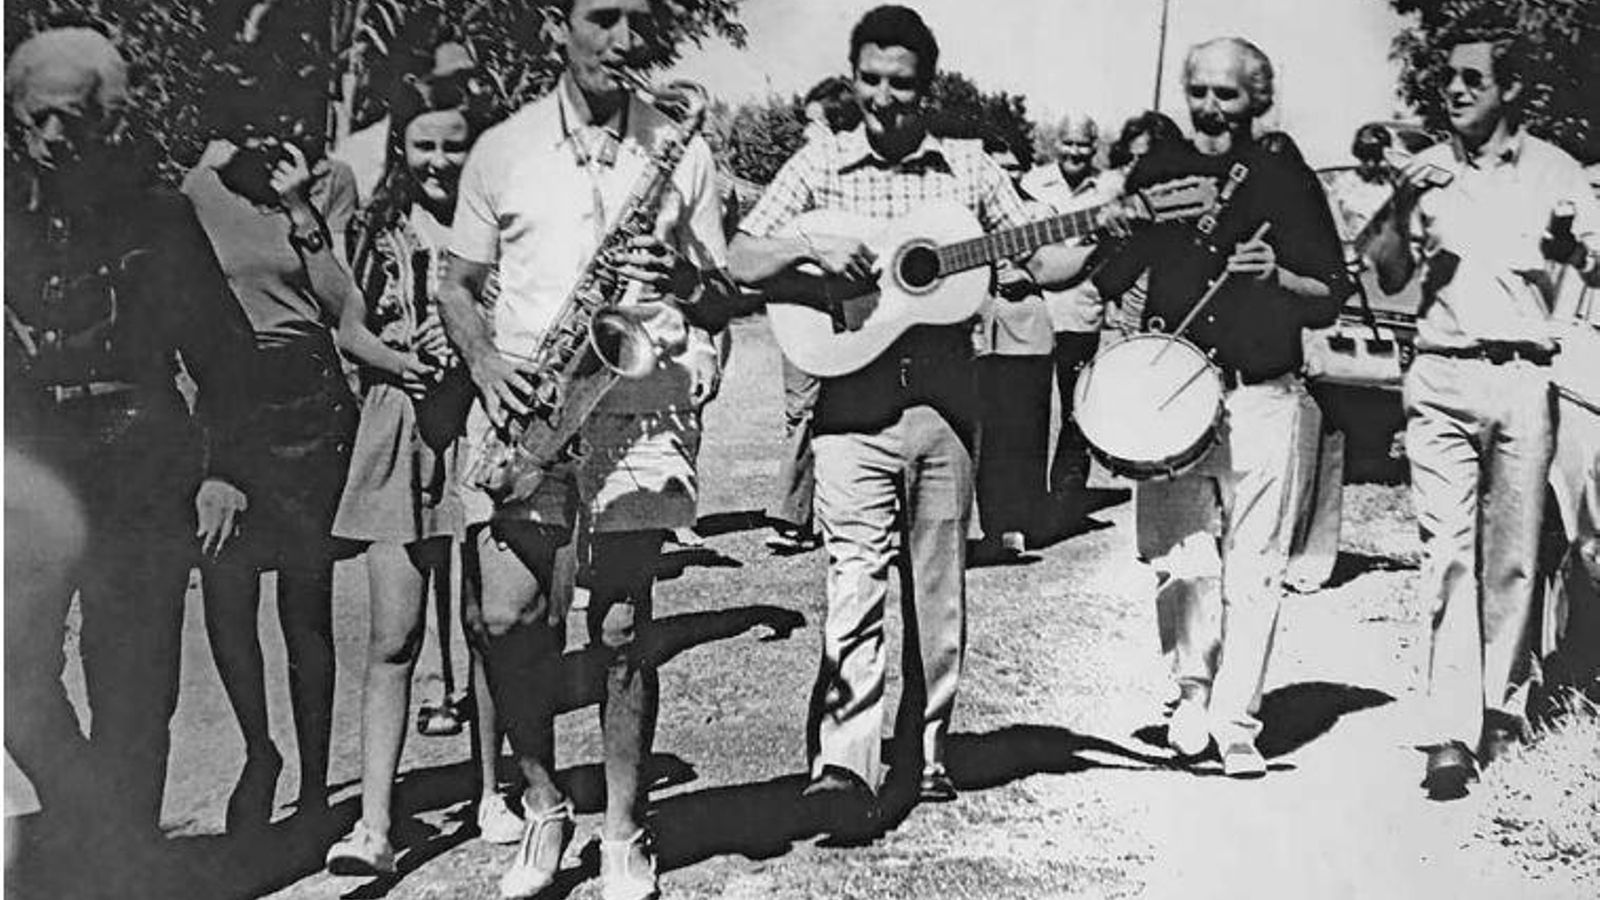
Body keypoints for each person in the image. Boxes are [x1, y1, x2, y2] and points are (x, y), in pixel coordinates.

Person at [729, 4, 1090, 840]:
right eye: (871, 81)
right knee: (853, 579)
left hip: (946, 403)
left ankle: (923, 753)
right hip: (851, 401)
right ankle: (842, 766)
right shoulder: (819, 164)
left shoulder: (965, 170)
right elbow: (741, 257)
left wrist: (1104, 229)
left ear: (929, 88)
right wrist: (805, 253)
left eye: (903, 85)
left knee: (937, 586)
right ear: (854, 77)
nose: (885, 100)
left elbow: (1044, 257)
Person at [436, 0, 730, 895]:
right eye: (603, 17)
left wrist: (687, 281)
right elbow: (458, 284)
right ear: (553, 32)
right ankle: (542, 803)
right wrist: (485, 362)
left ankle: (625, 831)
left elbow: (716, 288)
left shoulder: (684, 145)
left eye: (638, 21)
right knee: (508, 623)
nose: (626, 41)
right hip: (532, 400)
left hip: (639, 399)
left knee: (623, 627)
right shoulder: (503, 149)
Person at [3, 26, 254, 856]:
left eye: (70, 121)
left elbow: (226, 357)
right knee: (13, 681)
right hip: (29, 472)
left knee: (136, 684)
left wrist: (223, 473)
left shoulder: (160, 215)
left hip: (139, 460)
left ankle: (125, 863)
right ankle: (92, 822)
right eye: (32, 120)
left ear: (108, 123)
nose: (49, 139)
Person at [1094, 37, 1348, 777]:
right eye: (1199, 91)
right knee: (1181, 562)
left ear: (1257, 99)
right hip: (1173, 392)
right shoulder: (1158, 168)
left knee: (1257, 564)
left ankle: (1238, 719)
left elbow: (1328, 294)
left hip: (1265, 389)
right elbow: (1112, 279)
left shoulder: (1285, 176)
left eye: (1227, 95)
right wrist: (1114, 230)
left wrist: (1277, 277)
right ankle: (1191, 691)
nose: (1210, 108)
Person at [1366, 21, 1600, 799]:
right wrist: (1402, 206)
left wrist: (1575, 252)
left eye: (1473, 78)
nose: (1456, 90)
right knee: (1447, 550)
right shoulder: (1426, 171)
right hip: (1441, 376)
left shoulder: (1559, 174)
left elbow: (1583, 267)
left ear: (1511, 91)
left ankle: (1502, 709)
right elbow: (1388, 278)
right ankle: (1447, 732)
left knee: (1514, 556)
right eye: (1449, 80)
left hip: (1524, 379)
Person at [321, 71, 516, 874]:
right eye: (424, 144)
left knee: (486, 627)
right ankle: (373, 825)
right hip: (400, 431)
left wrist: (478, 351)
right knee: (393, 637)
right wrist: (405, 361)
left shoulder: (500, 226)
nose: (439, 160)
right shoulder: (375, 223)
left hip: (481, 429)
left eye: (454, 144)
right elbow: (348, 331)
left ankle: (494, 793)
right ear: (401, 146)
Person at [183, 54, 362, 830]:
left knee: (306, 606)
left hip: (309, 403)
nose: (263, 124)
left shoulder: (330, 181)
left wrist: (298, 208)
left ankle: (319, 788)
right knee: (227, 594)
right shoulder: (193, 189)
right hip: (225, 402)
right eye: (246, 104)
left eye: (278, 104)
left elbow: (344, 306)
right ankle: (261, 751)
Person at [766, 75, 860, 554]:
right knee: (801, 409)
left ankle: (812, 516)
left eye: (813, 125)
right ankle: (795, 517)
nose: (805, 135)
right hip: (803, 308)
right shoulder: (799, 176)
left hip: (853, 313)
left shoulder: (863, 185)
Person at [1022, 114, 1122, 526]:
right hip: (1035, 312)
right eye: (1068, 144)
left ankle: (1067, 496)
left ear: (1094, 146)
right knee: (1030, 407)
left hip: (1081, 310)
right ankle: (1027, 499)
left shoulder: (1110, 189)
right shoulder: (1031, 183)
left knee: (1077, 405)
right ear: (1055, 144)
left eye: (1084, 145)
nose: (1075, 152)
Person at [974, 132, 1054, 556]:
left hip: (1026, 331)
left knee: (1024, 431)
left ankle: (1022, 521)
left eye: (1014, 167)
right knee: (988, 434)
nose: (1007, 175)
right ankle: (993, 523)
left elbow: (1059, 266)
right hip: (981, 333)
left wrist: (1029, 276)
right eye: (998, 167)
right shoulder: (972, 213)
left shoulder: (1040, 212)